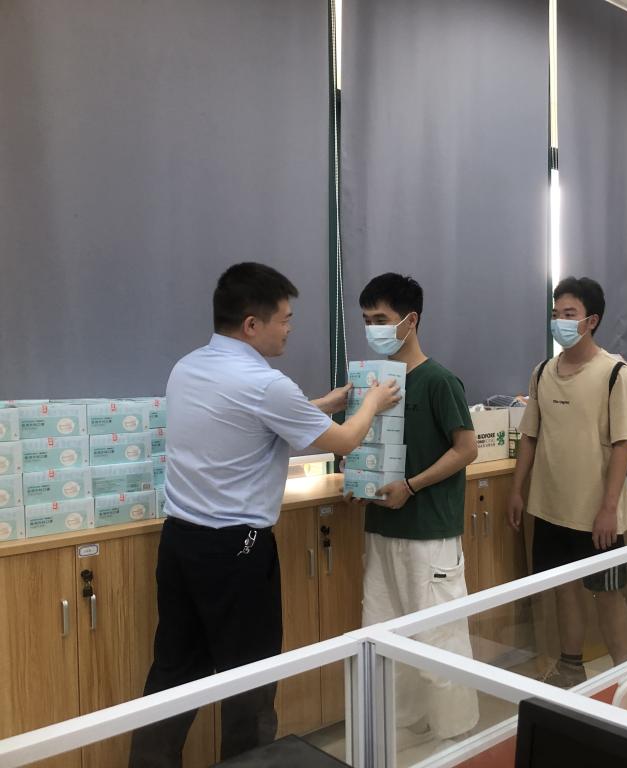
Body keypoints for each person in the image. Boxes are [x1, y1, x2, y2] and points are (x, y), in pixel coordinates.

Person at [130, 263, 399, 768]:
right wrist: (374, 403)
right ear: (252, 325)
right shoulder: (265, 383)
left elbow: (247, 418)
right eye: (284, 319)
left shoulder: (188, 367)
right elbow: (343, 441)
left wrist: (324, 403)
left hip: (181, 542)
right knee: (250, 684)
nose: (290, 329)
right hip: (238, 550)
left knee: (172, 673)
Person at [507, 276, 627, 687]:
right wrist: (517, 490)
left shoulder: (614, 373)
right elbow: (530, 436)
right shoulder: (542, 372)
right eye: (556, 314)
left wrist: (608, 509)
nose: (560, 322)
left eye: (569, 314)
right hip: (550, 507)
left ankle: (625, 676)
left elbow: (624, 444)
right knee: (564, 588)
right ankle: (571, 666)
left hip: (597, 513)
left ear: (592, 321)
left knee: (608, 592)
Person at [358, 273, 481, 745]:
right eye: (367, 320)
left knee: (439, 636)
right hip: (381, 528)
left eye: (381, 319)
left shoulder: (439, 381)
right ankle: (402, 727)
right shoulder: (374, 384)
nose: (373, 329)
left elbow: (466, 449)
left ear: (410, 321)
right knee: (385, 633)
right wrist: (359, 477)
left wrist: (411, 486)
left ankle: (456, 733)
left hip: (429, 533)